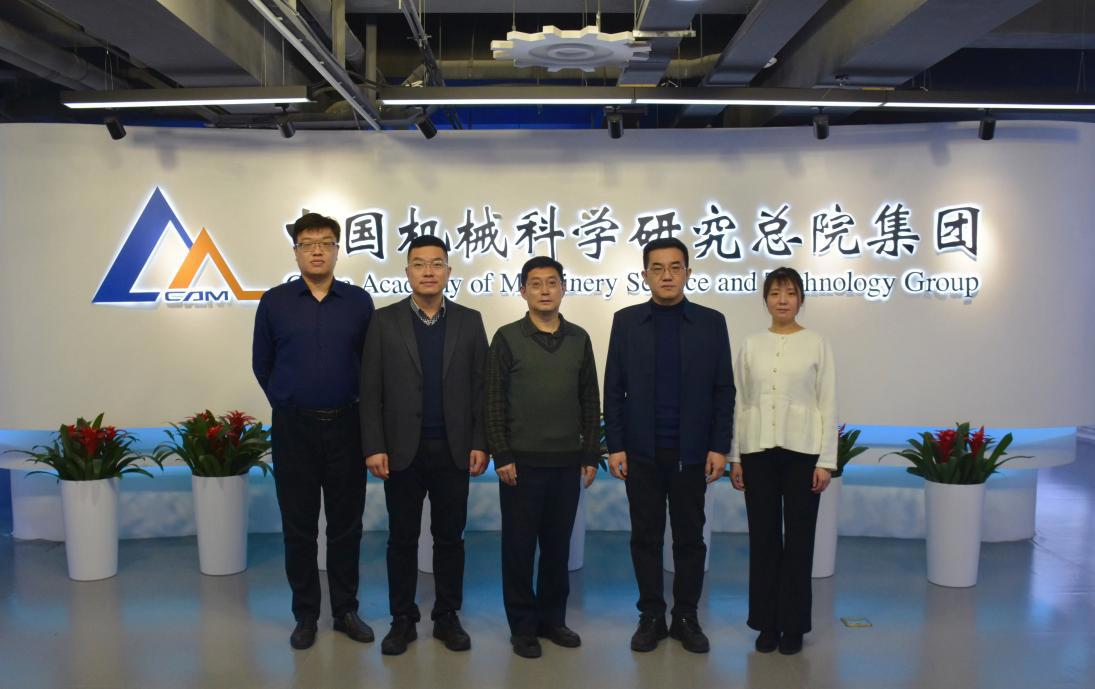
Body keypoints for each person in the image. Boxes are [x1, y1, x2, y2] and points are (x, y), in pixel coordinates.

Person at [359, 235, 489, 656]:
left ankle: (447, 617)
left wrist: (480, 441)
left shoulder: (470, 320)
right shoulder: (384, 321)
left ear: (448, 271)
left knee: (450, 539)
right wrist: (374, 445)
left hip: (454, 449)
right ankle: (402, 619)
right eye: (419, 264)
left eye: (436, 264)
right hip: (401, 451)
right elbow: (370, 389)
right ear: (407, 272)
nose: (428, 271)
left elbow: (482, 389)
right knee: (402, 539)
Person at [604, 237, 734, 654]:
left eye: (675, 267)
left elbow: (724, 390)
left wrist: (719, 447)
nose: (666, 276)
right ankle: (651, 616)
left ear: (688, 273)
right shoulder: (626, 322)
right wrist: (615, 446)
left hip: (691, 454)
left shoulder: (711, 322)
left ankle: (686, 617)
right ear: (645, 275)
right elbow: (614, 389)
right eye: (657, 268)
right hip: (641, 452)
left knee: (689, 540)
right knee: (645, 537)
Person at [252, 212, 375, 650]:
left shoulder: (358, 302)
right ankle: (305, 615)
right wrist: (287, 401)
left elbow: (371, 365)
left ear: (338, 250)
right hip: (295, 429)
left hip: (348, 427)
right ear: (296, 252)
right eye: (308, 243)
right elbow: (262, 364)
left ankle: (345, 611)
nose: (317, 250)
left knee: (346, 526)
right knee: (298, 527)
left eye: (326, 242)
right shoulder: (274, 302)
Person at [484, 256, 600, 659]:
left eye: (552, 282)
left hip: (566, 462)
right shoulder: (507, 338)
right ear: (523, 291)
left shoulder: (579, 338)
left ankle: (553, 620)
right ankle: (522, 627)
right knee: (519, 549)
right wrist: (502, 453)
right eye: (535, 284)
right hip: (521, 465)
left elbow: (590, 399)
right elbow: (493, 400)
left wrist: (590, 453)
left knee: (557, 548)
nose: (545, 290)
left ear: (563, 288)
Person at [728, 266, 836, 656]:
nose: (783, 300)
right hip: (757, 452)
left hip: (803, 453)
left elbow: (827, 402)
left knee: (800, 541)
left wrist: (826, 461)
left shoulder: (817, 343)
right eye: (775, 293)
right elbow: (740, 402)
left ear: (801, 299)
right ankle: (766, 624)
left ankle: (794, 626)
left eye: (790, 293)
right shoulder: (751, 344)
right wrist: (736, 456)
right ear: (765, 300)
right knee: (763, 540)